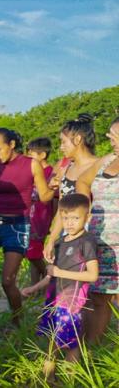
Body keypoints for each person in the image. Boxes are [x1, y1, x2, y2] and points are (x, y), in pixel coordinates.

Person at [0, 127, 54, 324]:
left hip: (17, 226)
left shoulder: (32, 165)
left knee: (7, 281)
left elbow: (45, 197)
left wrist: (56, 186)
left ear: (12, 145)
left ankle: (17, 322)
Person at [21, 194, 98, 377]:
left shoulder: (86, 242)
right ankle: (47, 380)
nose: (70, 223)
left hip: (71, 302)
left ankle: (69, 385)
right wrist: (34, 288)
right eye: (65, 218)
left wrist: (59, 273)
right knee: (51, 340)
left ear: (87, 218)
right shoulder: (60, 242)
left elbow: (92, 275)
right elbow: (52, 275)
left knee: (71, 342)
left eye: (75, 218)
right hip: (53, 299)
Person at [83, 116, 119, 342]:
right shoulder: (106, 161)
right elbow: (82, 182)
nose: (111, 139)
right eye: (111, 135)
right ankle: (93, 350)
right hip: (99, 243)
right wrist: (83, 209)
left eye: (116, 136)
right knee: (98, 297)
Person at [24, 138, 57, 287]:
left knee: (33, 253)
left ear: (42, 155)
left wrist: (51, 219)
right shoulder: (31, 171)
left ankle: (49, 276)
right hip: (28, 216)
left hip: (40, 218)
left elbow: (55, 200)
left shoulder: (51, 173)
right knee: (33, 253)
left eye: (31, 154)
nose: (28, 157)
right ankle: (35, 287)